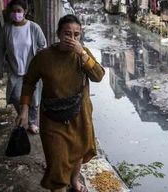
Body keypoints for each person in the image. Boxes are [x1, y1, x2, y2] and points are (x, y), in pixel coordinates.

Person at [16, 14, 105, 192]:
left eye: (76, 34)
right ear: (58, 34)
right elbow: (29, 82)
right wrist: (24, 110)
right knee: (56, 162)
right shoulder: (43, 57)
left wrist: (82, 54)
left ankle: (74, 180)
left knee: (79, 149)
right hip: (53, 118)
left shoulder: (83, 54)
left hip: (80, 114)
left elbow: (99, 76)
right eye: (67, 33)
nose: (72, 39)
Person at [0, 0, 46, 134]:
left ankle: (31, 122)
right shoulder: (7, 28)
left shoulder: (33, 27)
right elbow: (0, 48)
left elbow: (43, 44)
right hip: (15, 70)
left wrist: (39, 60)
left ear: (25, 11)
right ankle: (22, 115)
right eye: (13, 11)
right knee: (15, 97)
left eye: (19, 11)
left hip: (32, 70)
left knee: (35, 99)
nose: (16, 14)